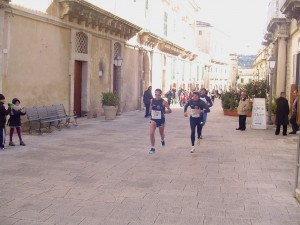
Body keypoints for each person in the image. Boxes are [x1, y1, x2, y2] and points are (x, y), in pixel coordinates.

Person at [149, 88, 172, 154]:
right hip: (153, 119)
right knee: (151, 133)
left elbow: (170, 110)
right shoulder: (152, 100)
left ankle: (162, 140)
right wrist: (151, 111)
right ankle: (153, 148)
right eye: (156, 94)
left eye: (158, 94)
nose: (157, 95)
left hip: (161, 120)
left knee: (161, 134)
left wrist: (164, 112)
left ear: (160, 95)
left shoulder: (164, 102)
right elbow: (151, 108)